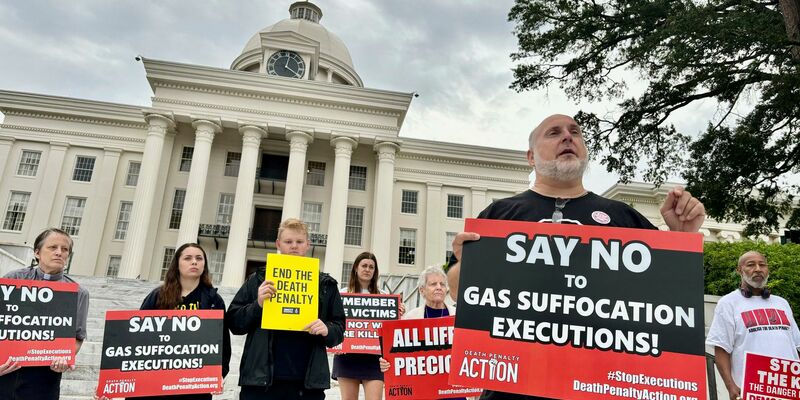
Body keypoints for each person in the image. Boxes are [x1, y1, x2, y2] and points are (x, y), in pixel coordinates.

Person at [445, 114, 707, 400]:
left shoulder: (624, 218)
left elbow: (668, 302)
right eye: (554, 133)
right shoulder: (498, 216)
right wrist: (468, 264)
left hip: (603, 388)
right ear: (531, 157)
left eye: (575, 132)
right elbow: (459, 294)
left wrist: (682, 237)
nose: (568, 137)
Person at [226, 218, 346, 400]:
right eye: (288, 242)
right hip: (260, 384)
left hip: (307, 385)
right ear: (278, 244)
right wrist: (257, 305)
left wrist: (327, 329)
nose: (294, 247)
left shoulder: (326, 285)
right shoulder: (258, 280)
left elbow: (339, 329)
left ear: (308, 245)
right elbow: (235, 323)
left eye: (299, 242)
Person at [0, 228, 90, 400]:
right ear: (37, 253)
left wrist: (65, 357)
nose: (59, 253)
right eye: (53, 247)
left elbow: (78, 337)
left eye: (64, 250)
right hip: (7, 370)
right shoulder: (13, 279)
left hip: (45, 376)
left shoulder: (79, 293)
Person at [135, 242, 232, 400]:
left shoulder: (214, 300)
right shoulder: (157, 296)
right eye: (188, 258)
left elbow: (223, 343)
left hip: (194, 384)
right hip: (158, 381)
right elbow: (136, 337)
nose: (194, 262)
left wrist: (219, 374)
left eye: (199, 258)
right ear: (177, 264)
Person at [706, 251, 800, 400]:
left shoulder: (782, 303)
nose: (758, 269)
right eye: (751, 265)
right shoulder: (728, 303)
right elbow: (721, 348)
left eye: (762, 265)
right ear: (739, 270)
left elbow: (796, 346)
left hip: (788, 389)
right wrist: (730, 385)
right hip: (751, 390)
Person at [379, 266, 464, 399]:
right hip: (422, 391)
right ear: (422, 290)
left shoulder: (459, 318)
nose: (439, 287)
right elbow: (398, 357)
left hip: (452, 392)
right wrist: (386, 363)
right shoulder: (411, 318)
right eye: (433, 284)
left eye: (442, 284)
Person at [332, 252, 405, 400]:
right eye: (364, 265)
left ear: (375, 271)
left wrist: (399, 314)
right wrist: (335, 345)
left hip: (375, 359)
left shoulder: (385, 296)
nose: (367, 269)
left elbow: (391, 329)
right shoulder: (342, 294)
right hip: (346, 356)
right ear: (355, 268)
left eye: (371, 267)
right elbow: (334, 323)